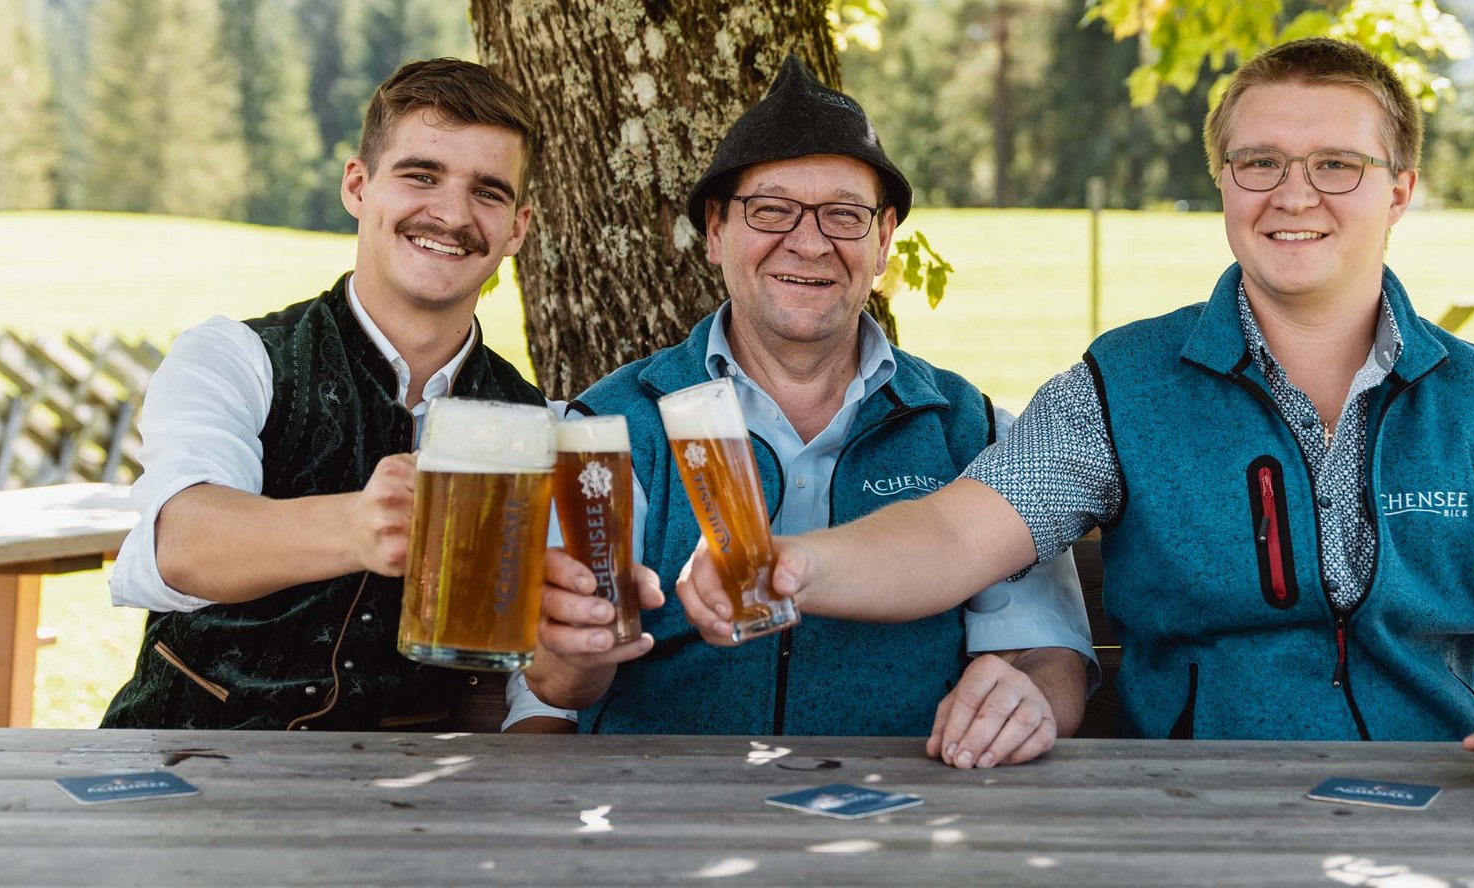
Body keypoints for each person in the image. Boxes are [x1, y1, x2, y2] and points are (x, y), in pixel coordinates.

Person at [679, 38, 1474, 795]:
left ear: (1401, 190)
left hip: (1434, 808)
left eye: (1337, 166)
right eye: (1258, 162)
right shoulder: (1124, 382)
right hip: (1182, 814)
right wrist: (793, 564)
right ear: (1224, 183)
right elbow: (953, 531)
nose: (1293, 195)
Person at [514, 55, 1095, 766]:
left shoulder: (965, 427)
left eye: (844, 215)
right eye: (772, 210)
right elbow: (547, 697)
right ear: (715, 232)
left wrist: (1028, 697)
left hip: (908, 814)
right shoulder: (610, 428)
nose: (810, 241)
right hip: (664, 823)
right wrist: (573, 656)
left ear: (883, 243)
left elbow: (1048, 657)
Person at [102, 58, 546, 730]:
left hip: (406, 805)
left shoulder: (535, 423)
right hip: (193, 775)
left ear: (517, 228)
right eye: (421, 175)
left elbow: (510, 684)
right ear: (358, 186)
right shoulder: (234, 357)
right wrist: (355, 527)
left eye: (488, 192)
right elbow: (181, 544)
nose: (453, 213)